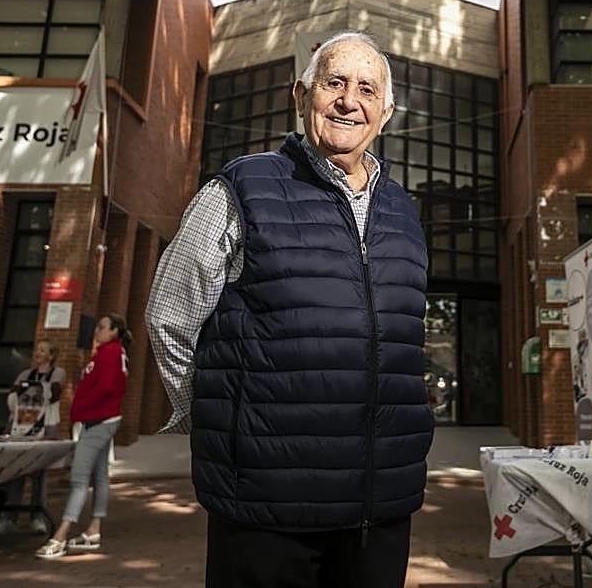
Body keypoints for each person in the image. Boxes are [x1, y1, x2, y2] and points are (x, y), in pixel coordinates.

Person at [147, 31, 434, 588]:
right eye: (334, 84)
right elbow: (170, 316)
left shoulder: (403, 211)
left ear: (387, 112)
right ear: (300, 96)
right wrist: (214, 421)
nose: (349, 101)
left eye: (366, 90)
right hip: (265, 509)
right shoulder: (240, 189)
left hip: (379, 510)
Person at [35, 314, 129, 560]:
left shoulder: (110, 353)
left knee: (79, 477)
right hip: (102, 419)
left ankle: (60, 536)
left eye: (101, 327)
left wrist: (85, 408)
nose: (96, 331)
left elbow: (108, 387)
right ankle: (93, 529)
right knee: (99, 475)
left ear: (114, 331)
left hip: (99, 420)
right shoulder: (111, 353)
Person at [2, 340, 66, 535]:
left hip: (44, 428)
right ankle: (10, 516)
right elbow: (13, 396)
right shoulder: (25, 373)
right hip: (22, 427)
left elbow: (53, 393)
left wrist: (29, 390)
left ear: (51, 355)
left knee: (39, 472)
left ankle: (37, 516)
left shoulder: (58, 373)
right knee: (18, 470)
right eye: (37, 350)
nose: (37, 353)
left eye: (43, 350)